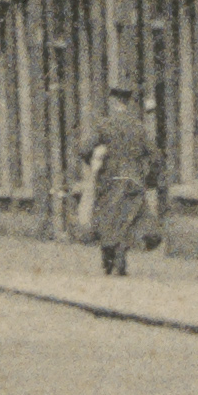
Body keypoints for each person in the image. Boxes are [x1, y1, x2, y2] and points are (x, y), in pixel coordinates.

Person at [77, 83, 164, 278]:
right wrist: (149, 178)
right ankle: (120, 256)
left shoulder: (104, 126)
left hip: (110, 180)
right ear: (129, 102)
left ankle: (109, 256)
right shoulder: (138, 127)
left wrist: (95, 163)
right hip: (133, 180)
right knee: (127, 219)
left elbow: (84, 149)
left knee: (108, 218)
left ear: (114, 102)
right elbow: (156, 156)